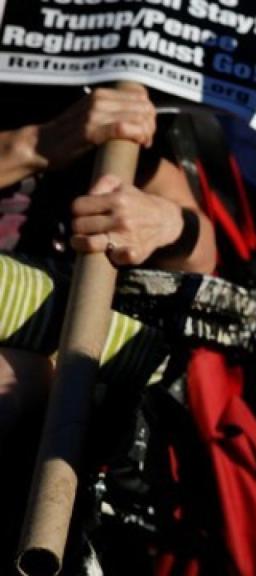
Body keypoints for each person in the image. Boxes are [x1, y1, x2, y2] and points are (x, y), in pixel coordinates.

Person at [0, 82, 216, 443]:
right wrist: (33, 145)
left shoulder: (93, 91)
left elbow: (202, 254)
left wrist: (163, 224)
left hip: (63, 367)